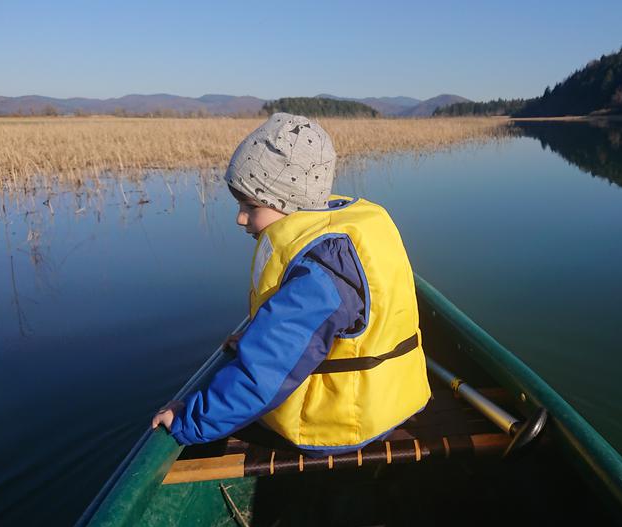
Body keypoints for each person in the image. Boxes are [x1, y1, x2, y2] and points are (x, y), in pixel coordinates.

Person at [151, 113, 431, 455]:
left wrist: (189, 420)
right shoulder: (335, 237)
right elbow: (297, 334)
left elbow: (266, 370)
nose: (240, 218)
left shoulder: (321, 269)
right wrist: (256, 335)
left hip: (337, 426)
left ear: (289, 203)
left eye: (250, 206)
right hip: (392, 400)